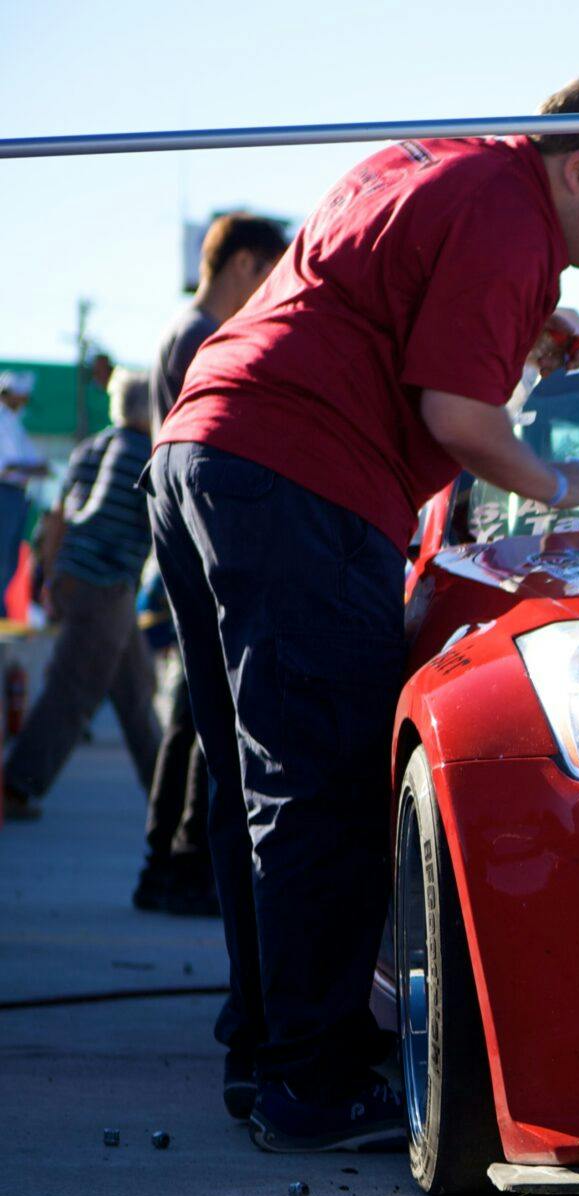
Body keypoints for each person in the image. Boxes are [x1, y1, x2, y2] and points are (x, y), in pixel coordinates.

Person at [148, 74, 579, 1152]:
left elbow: (375, 305)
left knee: (265, 785)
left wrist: (517, 322)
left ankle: (270, 1055)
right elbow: (457, 416)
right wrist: (559, 484)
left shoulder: (432, 160)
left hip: (203, 453)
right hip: (301, 475)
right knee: (328, 789)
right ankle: (318, 1084)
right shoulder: (510, 211)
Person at [135, 213, 290, 912]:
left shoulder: (179, 329)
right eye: (272, 274)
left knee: (192, 710)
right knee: (216, 712)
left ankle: (165, 856)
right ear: (246, 266)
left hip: (177, 525)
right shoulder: (205, 336)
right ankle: (189, 857)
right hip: (204, 530)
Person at [0, 370, 162, 814]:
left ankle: (169, 796)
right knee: (73, 692)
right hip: (106, 585)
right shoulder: (140, 453)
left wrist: (53, 577)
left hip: (81, 579)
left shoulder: (92, 447)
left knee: (135, 694)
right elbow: (145, 519)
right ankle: (16, 787)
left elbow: (56, 515)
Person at [0, 372, 47, 584]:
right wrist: (32, 468)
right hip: (6, 493)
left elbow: (35, 464)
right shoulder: (4, 422)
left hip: (15, 495)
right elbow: (8, 466)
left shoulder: (14, 423)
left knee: (10, 559)